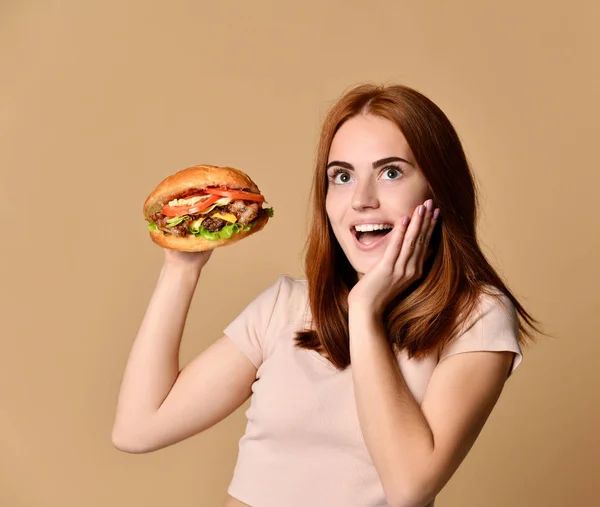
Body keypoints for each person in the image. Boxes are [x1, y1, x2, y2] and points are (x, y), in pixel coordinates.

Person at [112, 83, 540, 507]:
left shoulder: (477, 317)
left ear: (438, 188)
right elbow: (137, 429)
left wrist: (365, 313)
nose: (361, 200)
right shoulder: (286, 307)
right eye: (342, 176)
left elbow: (410, 488)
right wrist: (181, 268)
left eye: (391, 172)